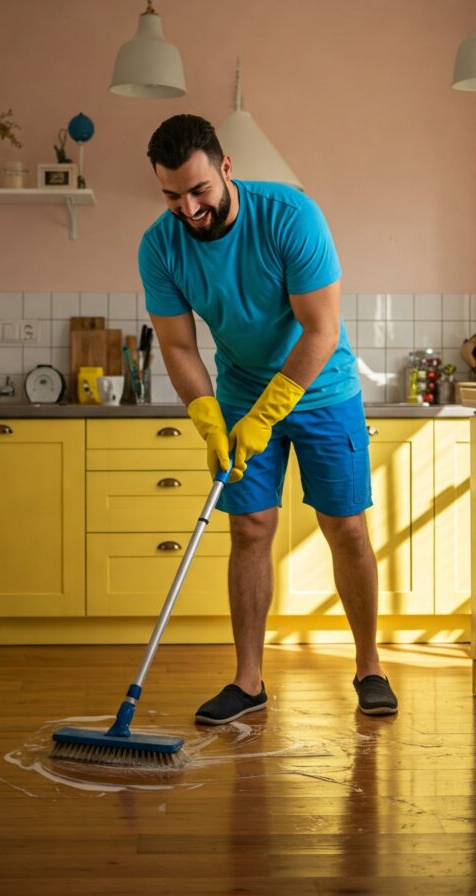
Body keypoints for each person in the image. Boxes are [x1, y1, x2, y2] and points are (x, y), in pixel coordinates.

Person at [138, 114, 397, 727]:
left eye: (199, 190)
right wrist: (208, 416)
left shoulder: (290, 216)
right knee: (250, 529)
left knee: (346, 527)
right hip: (238, 390)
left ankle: (369, 665)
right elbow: (177, 346)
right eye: (172, 195)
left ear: (227, 169)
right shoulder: (160, 245)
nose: (189, 208)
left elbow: (321, 329)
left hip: (323, 391)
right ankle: (248, 681)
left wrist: (266, 417)